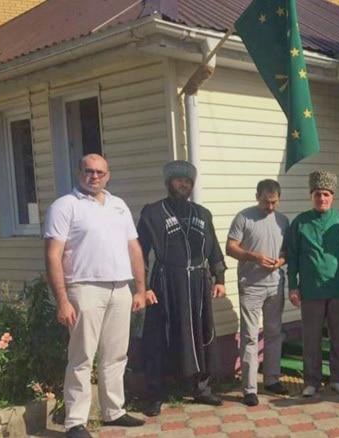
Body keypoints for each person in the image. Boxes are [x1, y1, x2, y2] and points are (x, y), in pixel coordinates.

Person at [44, 154, 148, 438]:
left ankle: (114, 411)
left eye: (100, 172)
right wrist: (62, 300)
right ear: (79, 173)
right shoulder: (64, 206)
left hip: (120, 288)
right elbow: (52, 255)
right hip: (84, 288)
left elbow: (134, 248)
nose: (94, 177)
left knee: (116, 354)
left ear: (108, 175)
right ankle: (75, 422)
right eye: (89, 171)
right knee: (81, 357)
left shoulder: (119, 205)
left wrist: (140, 289)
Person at [136, 160, 227, 417]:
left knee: (202, 333)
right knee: (159, 337)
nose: (183, 184)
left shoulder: (202, 214)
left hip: (198, 284)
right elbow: (139, 252)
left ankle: (202, 388)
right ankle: (155, 394)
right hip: (165, 284)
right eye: (179, 180)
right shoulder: (153, 213)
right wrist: (143, 287)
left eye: (188, 181)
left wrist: (220, 278)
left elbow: (214, 248)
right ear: (169, 182)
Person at [287, 170, 339, 397]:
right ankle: (312, 381)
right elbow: (292, 256)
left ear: (332, 196)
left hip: (338, 289)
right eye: (318, 194)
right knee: (311, 338)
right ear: (311, 195)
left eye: (326, 194)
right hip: (310, 290)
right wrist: (293, 286)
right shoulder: (300, 223)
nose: (322, 198)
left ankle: (338, 378)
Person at [226, 179, 290, 406]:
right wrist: (253, 257)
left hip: (275, 284)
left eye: (274, 202)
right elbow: (230, 247)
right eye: (265, 202)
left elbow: (287, 251)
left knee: (274, 332)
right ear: (257, 197)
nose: (270, 207)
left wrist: (280, 261)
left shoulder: (283, 221)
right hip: (251, 285)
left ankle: (272, 379)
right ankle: (250, 388)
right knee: (250, 336)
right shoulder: (244, 217)